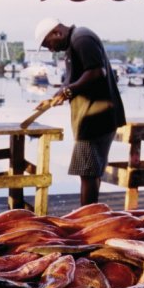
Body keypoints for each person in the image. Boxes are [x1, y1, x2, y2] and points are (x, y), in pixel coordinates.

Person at [33, 17, 126, 206]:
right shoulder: (74, 42)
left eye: (48, 44)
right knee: (92, 171)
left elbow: (97, 72)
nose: (50, 49)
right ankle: (91, 216)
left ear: (57, 32)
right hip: (95, 116)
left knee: (87, 172)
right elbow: (74, 80)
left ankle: (86, 219)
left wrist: (69, 91)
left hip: (95, 117)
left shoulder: (81, 39)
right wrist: (57, 95)